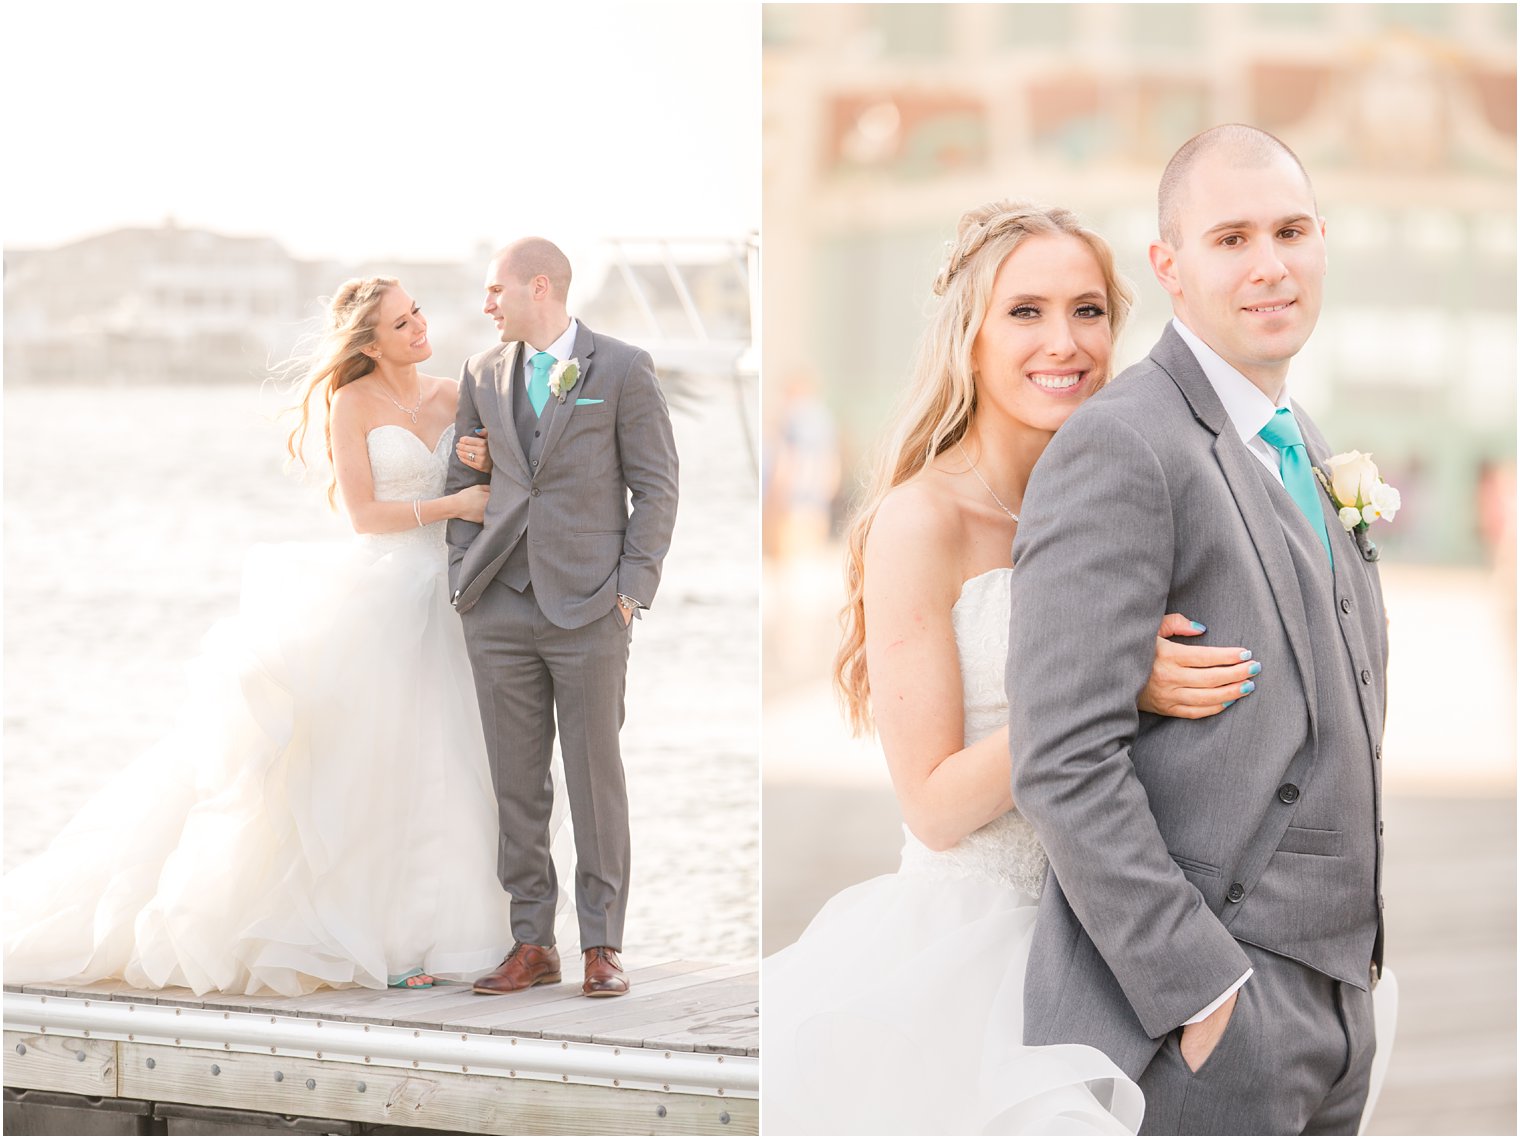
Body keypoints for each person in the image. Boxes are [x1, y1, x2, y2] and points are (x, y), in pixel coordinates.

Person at [762, 201, 1267, 1135]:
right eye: (1026, 311)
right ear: (971, 335)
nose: (1064, 341)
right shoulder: (925, 520)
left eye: (1088, 310)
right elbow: (936, 805)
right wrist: (1111, 685)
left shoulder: (1127, 493)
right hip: (976, 952)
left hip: (1115, 936)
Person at [1007, 125, 1396, 1134]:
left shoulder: (1298, 438)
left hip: (1337, 999)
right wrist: (1201, 991)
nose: (1269, 263)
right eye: (1230, 239)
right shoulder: (1120, 443)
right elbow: (1059, 756)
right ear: (1167, 267)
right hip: (1209, 1023)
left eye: (1290, 230)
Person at [3, 276, 544, 995]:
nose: (419, 326)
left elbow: (507, 477)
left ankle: (449, 932)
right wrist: (455, 498)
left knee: (452, 762)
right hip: (384, 592)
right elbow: (363, 514)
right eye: (400, 322)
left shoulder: (455, 393)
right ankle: (385, 939)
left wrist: (480, 467)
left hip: (452, 595)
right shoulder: (352, 403)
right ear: (370, 342)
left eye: (415, 312)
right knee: (369, 764)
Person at [447, 238, 679, 1000]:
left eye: (495, 290)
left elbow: (657, 488)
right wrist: (463, 575)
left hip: (590, 608)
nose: (486, 305)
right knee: (517, 785)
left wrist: (630, 591)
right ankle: (531, 941)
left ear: (538, 287)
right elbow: (464, 477)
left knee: (593, 779)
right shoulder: (482, 373)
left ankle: (603, 944)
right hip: (500, 604)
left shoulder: (622, 368)